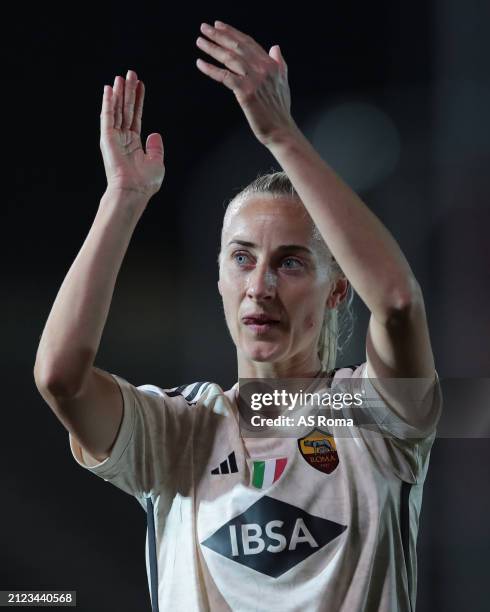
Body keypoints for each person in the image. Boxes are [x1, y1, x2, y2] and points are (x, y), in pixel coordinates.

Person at [34, 19, 442, 612]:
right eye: (243, 259)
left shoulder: (376, 416)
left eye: (293, 263)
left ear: (337, 292)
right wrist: (121, 199)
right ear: (220, 278)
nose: (261, 286)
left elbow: (400, 304)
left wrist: (282, 135)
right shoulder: (179, 431)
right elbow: (61, 378)